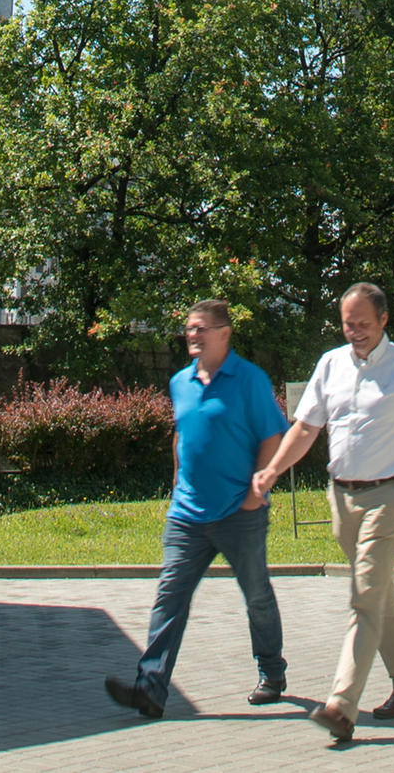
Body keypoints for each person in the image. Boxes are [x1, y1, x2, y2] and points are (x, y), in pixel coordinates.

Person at [251, 281, 394, 743]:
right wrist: (274, 469)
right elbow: (306, 427)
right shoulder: (331, 364)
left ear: (383, 320)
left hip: (386, 497)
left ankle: (341, 704)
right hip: (341, 498)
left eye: (362, 323)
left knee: (363, 598)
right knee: (377, 594)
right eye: (347, 323)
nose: (354, 331)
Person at [103, 299, 292, 720]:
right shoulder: (180, 382)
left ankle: (272, 672)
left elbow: (272, 438)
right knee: (169, 599)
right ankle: (150, 688)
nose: (192, 335)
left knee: (257, 595)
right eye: (189, 328)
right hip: (187, 514)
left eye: (201, 328)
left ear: (224, 333)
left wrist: (255, 493)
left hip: (239, 512)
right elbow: (181, 435)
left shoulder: (249, 380)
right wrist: (176, 484)